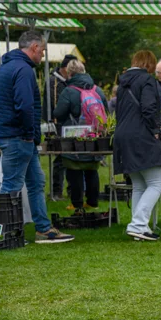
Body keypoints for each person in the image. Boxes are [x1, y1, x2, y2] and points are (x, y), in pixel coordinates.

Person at [0, 31, 73, 243]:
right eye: (43, 51)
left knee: (36, 182)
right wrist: (29, 135)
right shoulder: (23, 70)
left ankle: (43, 228)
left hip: (11, 134)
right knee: (10, 187)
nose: (43, 56)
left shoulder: (4, 68)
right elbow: (25, 106)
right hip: (19, 137)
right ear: (35, 47)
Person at [114, 50, 161, 241]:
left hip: (122, 134)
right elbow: (149, 107)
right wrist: (155, 129)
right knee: (157, 182)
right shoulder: (146, 80)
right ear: (150, 65)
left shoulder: (122, 83)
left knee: (138, 184)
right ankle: (137, 224)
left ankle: (140, 228)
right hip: (141, 134)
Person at [52, 59, 108, 213]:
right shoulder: (98, 90)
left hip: (74, 137)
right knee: (92, 169)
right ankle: (92, 201)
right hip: (94, 135)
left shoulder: (69, 91)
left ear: (69, 73)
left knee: (73, 168)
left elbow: (58, 113)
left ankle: (76, 203)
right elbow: (106, 111)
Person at [49, 54, 77, 201]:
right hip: (58, 124)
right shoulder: (53, 82)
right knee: (60, 159)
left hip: (71, 125)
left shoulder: (68, 81)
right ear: (65, 68)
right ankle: (56, 191)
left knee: (73, 158)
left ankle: (72, 190)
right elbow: (54, 106)